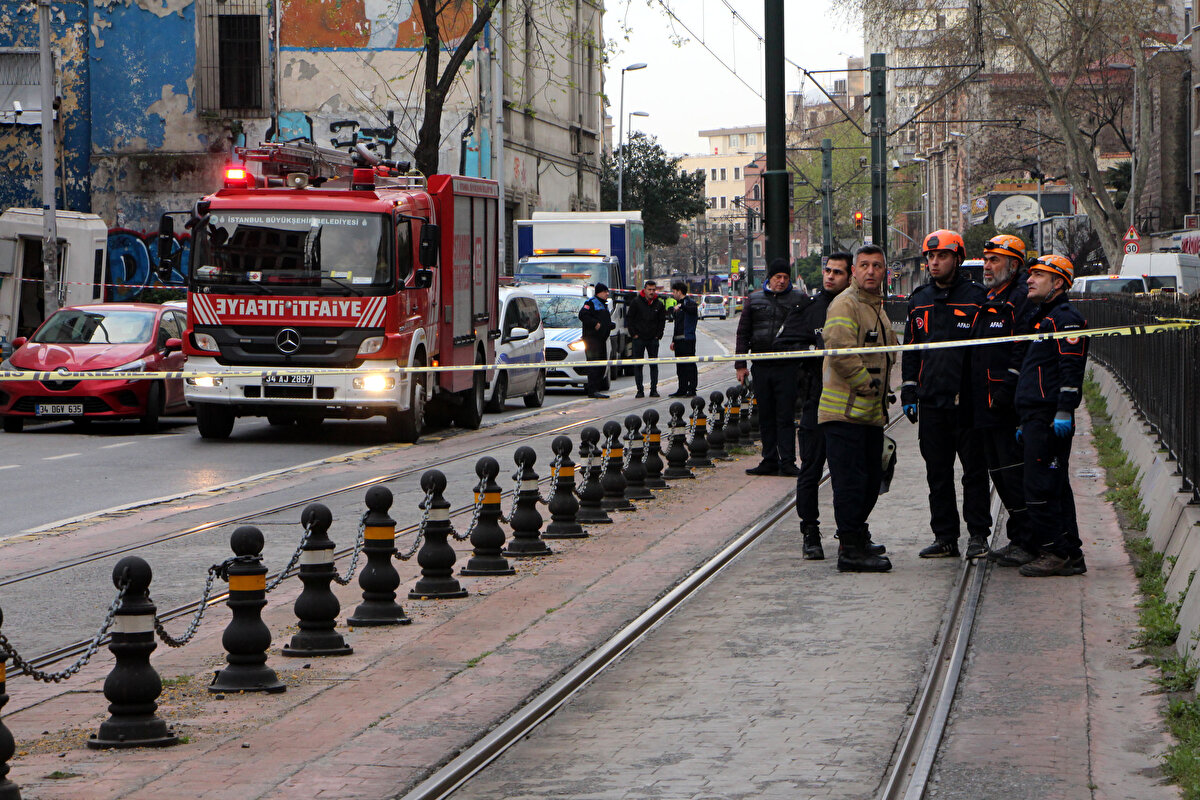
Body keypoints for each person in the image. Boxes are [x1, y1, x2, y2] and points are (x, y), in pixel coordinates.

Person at [900, 229, 991, 560]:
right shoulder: (919, 299)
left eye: (941, 257)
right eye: (930, 257)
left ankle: (978, 534)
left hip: (967, 403)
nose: (934, 262)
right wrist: (909, 388)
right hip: (932, 402)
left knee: (974, 473)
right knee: (937, 474)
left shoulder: (978, 298)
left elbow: (987, 353)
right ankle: (945, 537)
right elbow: (911, 349)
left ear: (958, 259)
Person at [818, 244, 897, 572]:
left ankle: (856, 533)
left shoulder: (875, 305)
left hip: (868, 415)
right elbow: (839, 349)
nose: (870, 271)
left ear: (884, 272)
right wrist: (869, 385)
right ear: (854, 271)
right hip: (846, 414)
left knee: (869, 480)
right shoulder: (846, 303)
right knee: (851, 483)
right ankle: (850, 549)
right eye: (864, 265)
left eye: (876, 266)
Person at [1015, 254, 1088, 577]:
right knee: (1054, 485)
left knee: (1040, 486)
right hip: (1035, 416)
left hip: (1047, 417)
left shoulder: (1065, 320)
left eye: (1038, 276)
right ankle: (1070, 552)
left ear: (1058, 283)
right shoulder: (1044, 317)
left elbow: (1070, 370)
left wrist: (1063, 410)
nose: (1029, 280)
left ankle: (1056, 553)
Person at [972, 235, 1037, 567]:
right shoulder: (990, 297)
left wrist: (1004, 393)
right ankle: (1019, 537)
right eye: (986, 259)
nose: (987, 266)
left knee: (1013, 473)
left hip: (1005, 406)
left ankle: (1028, 539)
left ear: (1014, 265)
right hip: (986, 405)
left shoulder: (1019, 298)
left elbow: (1019, 350)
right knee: (999, 472)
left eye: (994, 260)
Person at [787, 253, 852, 559]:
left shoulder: (858, 307)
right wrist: (813, 351)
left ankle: (849, 532)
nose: (829, 277)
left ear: (849, 277)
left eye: (837, 272)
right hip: (816, 398)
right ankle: (810, 532)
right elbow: (784, 345)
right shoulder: (809, 308)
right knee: (810, 470)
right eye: (828, 271)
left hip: (849, 402)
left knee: (847, 473)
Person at [734, 259, 810, 477]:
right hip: (762, 365)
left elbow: (809, 327)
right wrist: (741, 365)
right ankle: (769, 459)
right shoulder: (754, 299)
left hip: (788, 366)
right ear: (770, 278)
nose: (782, 281)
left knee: (785, 415)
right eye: (778, 277)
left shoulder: (799, 299)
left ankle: (787, 460)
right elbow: (743, 333)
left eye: (785, 278)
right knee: (765, 415)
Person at [626, 280, 667, 398]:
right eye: (649, 290)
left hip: (652, 339)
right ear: (645, 289)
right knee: (638, 365)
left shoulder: (659, 304)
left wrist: (658, 335)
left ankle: (654, 389)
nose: (651, 292)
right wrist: (633, 334)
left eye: (653, 290)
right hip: (639, 338)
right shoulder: (636, 302)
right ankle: (640, 390)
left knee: (653, 364)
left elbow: (661, 321)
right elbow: (630, 319)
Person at [578, 283, 615, 399]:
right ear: (599, 292)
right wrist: (595, 324)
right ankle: (592, 390)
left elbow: (604, 320)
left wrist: (609, 326)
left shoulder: (603, 305)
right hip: (592, 340)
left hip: (601, 340)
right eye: (605, 292)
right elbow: (582, 315)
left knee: (601, 365)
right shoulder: (591, 303)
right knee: (594, 365)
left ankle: (596, 389)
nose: (607, 294)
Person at [668, 281, 699, 397]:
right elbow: (677, 325)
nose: (673, 294)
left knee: (689, 365)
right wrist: (673, 340)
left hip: (688, 339)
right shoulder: (678, 305)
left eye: (674, 292)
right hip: (679, 340)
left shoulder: (689, 303)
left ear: (679, 292)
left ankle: (692, 388)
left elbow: (693, 311)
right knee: (680, 366)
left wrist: (681, 306)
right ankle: (682, 388)